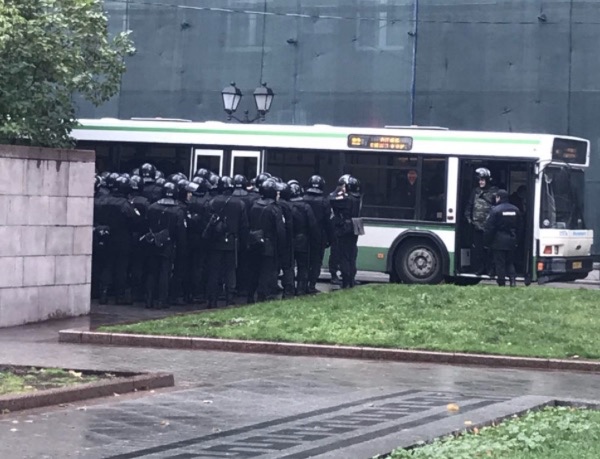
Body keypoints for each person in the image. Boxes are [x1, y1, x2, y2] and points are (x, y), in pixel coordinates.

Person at [204, 176, 248, 308]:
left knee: (214, 271)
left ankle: (212, 300)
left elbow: (207, 223)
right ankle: (230, 299)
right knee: (230, 271)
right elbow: (244, 226)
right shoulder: (240, 204)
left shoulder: (212, 202)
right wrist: (244, 244)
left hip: (215, 241)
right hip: (232, 242)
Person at [484, 189, 521, 287]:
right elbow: (520, 227)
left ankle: (501, 283)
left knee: (500, 263)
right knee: (510, 262)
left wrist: (487, 241)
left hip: (498, 241)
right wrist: (517, 240)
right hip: (511, 240)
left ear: (499, 197)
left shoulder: (495, 210)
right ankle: (513, 281)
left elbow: (490, 228)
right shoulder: (516, 209)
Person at [464, 167, 498, 275]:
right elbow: (469, 206)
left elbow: (497, 208)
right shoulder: (475, 191)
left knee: (489, 249)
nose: (480, 182)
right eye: (479, 180)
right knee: (478, 250)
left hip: (489, 227)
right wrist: (469, 220)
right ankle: (480, 268)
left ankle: (490, 269)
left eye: (482, 180)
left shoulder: (494, 192)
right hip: (477, 226)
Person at [303, 175, 334, 293]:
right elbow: (328, 222)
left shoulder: (303, 199)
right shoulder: (324, 202)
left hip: (304, 235)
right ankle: (311, 285)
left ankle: (302, 285)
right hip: (319, 237)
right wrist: (331, 238)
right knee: (316, 262)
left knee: (304, 261)